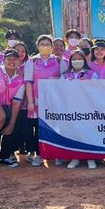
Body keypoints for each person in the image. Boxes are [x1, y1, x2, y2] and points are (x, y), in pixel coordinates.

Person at [24, 35, 65, 167]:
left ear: (52, 47)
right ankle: (40, 154)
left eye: (47, 44)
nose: (45, 47)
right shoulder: (32, 61)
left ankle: (57, 153)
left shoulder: (60, 61)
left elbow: (65, 80)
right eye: (42, 44)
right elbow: (28, 82)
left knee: (56, 127)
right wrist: (30, 101)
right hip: (37, 101)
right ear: (38, 46)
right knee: (38, 129)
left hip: (55, 102)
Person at [63, 51, 99, 170]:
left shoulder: (92, 74)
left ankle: (90, 157)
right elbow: (59, 91)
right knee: (73, 132)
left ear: (84, 60)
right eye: (74, 59)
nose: (77, 61)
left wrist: (88, 84)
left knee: (88, 133)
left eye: (79, 58)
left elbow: (98, 90)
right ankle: (75, 158)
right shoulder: (65, 75)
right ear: (70, 61)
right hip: (71, 109)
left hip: (87, 108)